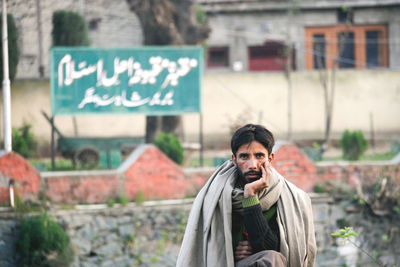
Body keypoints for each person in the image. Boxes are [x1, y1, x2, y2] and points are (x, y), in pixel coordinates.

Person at [176, 124, 316, 267]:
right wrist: (231, 252)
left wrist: (250, 196)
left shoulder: (288, 197)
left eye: (259, 156)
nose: (253, 165)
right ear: (234, 159)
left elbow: (272, 248)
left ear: (270, 158)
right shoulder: (216, 195)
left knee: (271, 258)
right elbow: (209, 249)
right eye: (244, 157)